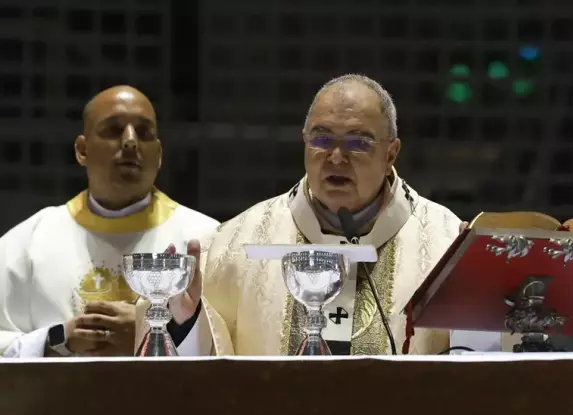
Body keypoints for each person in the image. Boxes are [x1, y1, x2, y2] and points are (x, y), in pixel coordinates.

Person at [166, 74, 463, 355]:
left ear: (391, 154)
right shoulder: (232, 245)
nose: (336, 157)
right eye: (322, 140)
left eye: (358, 143)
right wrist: (186, 323)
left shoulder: (446, 243)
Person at [0, 85, 218, 358]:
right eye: (113, 130)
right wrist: (58, 339)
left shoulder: (207, 238)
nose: (130, 141)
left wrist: (154, 335)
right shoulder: (28, 243)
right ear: (82, 150)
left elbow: (233, 346)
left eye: (144, 132)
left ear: (159, 155)